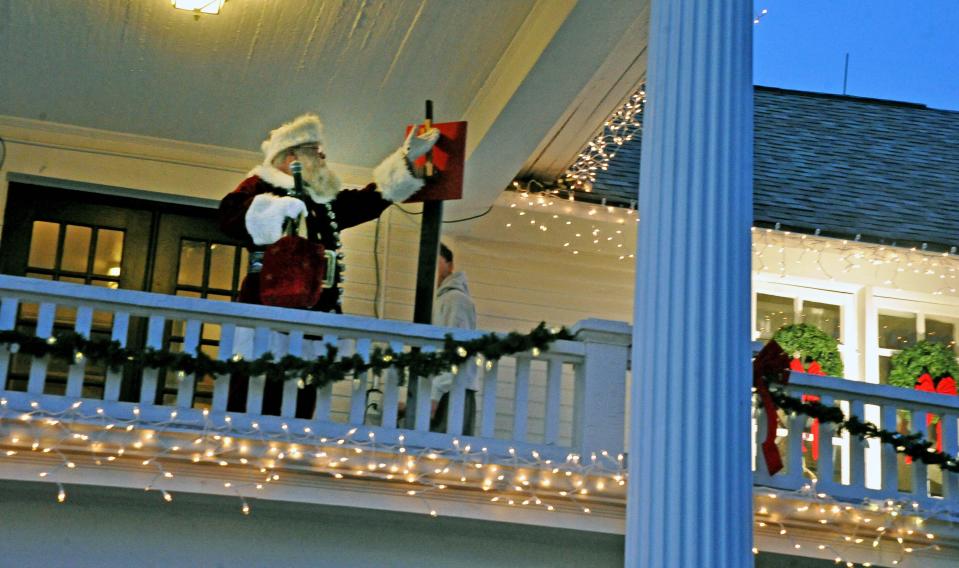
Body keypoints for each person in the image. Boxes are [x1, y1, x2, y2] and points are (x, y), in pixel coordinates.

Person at [219, 113, 438, 417]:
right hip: (268, 312)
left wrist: (405, 158)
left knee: (302, 400)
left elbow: (368, 202)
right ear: (291, 156)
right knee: (256, 397)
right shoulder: (260, 186)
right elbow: (229, 216)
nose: (323, 160)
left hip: (313, 315)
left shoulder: (322, 202)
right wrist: (278, 209)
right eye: (316, 153)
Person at [429, 243, 479, 435]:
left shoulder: (455, 300)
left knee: (445, 457)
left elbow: (457, 350)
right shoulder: (443, 299)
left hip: (453, 391)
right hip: (444, 388)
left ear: (450, 265)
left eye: (437, 261)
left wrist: (435, 395)